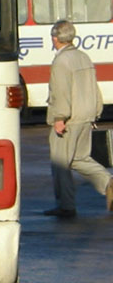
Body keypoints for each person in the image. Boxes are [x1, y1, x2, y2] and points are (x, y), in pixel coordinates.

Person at [44, 19, 113, 218]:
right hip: (86, 115)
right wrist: (95, 111)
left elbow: (61, 92)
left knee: (61, 163)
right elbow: (94, 87)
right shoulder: (83, 57)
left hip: (69, 118)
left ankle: (66, 206)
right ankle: (107, 182)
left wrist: (59, 117)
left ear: (55, 38)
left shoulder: (61, 61)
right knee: (79, 158)